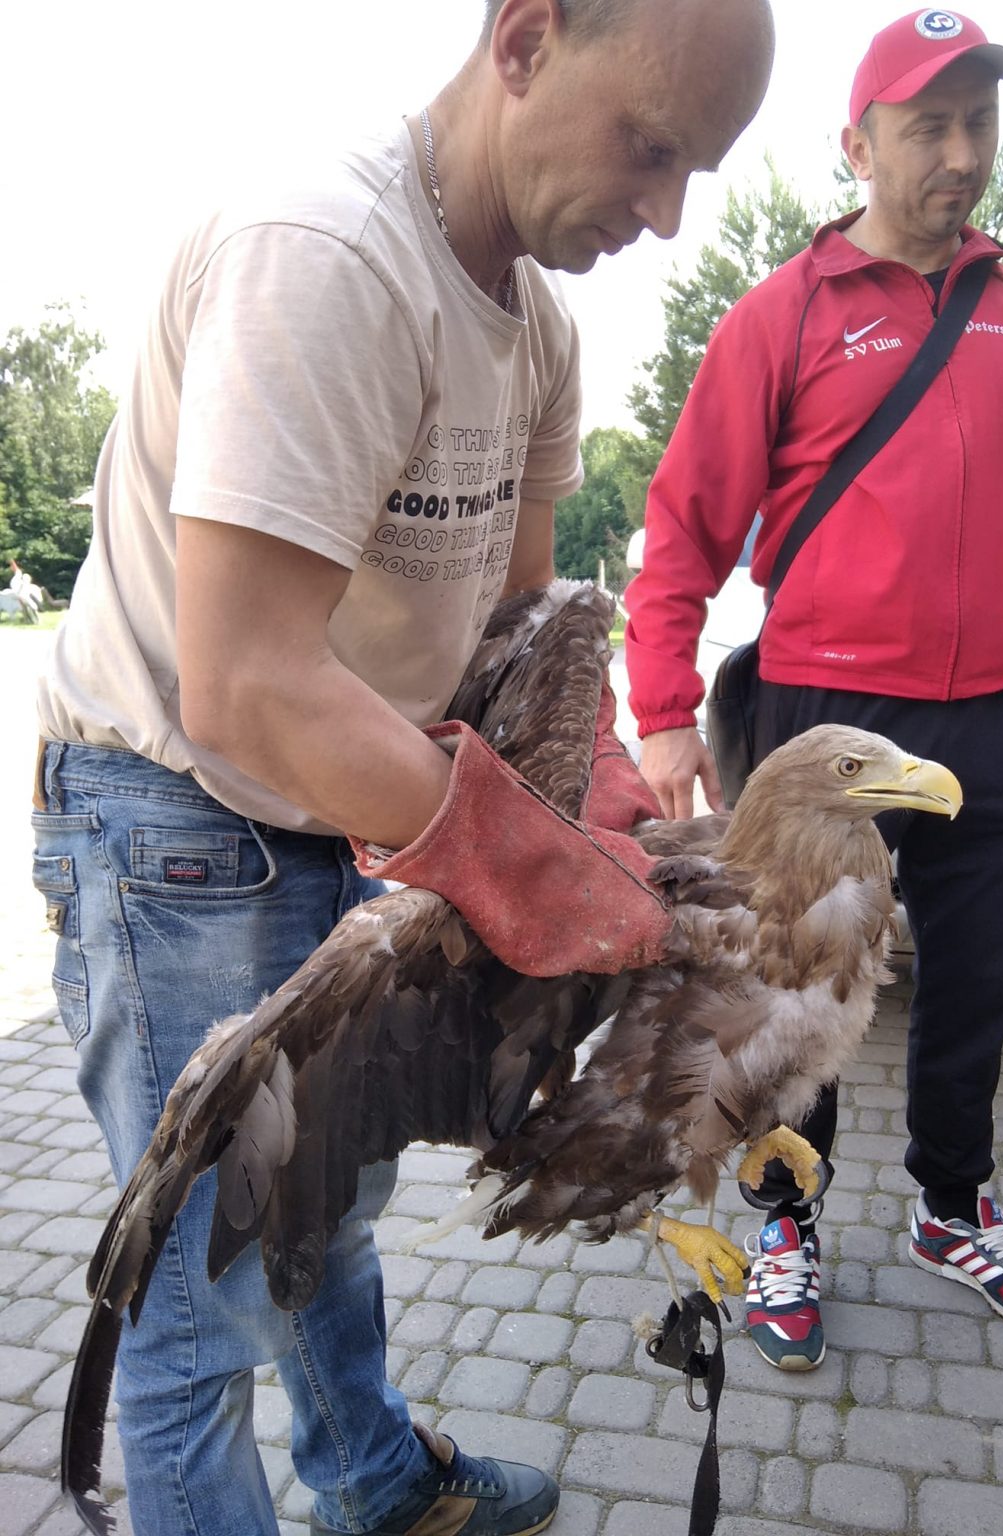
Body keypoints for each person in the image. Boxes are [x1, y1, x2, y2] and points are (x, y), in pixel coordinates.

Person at [31, 2, 774, 1532]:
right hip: (179, 813)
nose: (665, 213)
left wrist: (598, 800)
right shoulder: (330, 258)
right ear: (524, 41)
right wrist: (521, 864)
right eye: (650, 148)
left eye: (694, 171)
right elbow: (242, 683)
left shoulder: (540, 332)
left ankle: (375, 1484)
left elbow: (509, 620)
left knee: (324, 1198)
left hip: (346, 815)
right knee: (196, 1307)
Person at [624, 7, 1003, 1374]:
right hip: (821, 731)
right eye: (931, 125)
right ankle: (788, 1222)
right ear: (856, 144)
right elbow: (680, 527)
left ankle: (953, 1205)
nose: (963, 153)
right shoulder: (780, 318)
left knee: (978, 984)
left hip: (988, 718)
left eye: (980, 123)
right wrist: (666, 704)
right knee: (800, 1010)